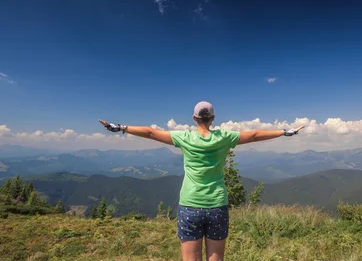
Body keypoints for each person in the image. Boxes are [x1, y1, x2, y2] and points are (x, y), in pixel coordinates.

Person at [99, 101, 303, 261]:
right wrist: (284, 132)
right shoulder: (225, 137)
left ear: (194, 118)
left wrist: (122, 127)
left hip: (190, 205)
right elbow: (256, 135)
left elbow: (151, 133)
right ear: (212, 118)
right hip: (217, 206)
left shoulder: (184, 137)